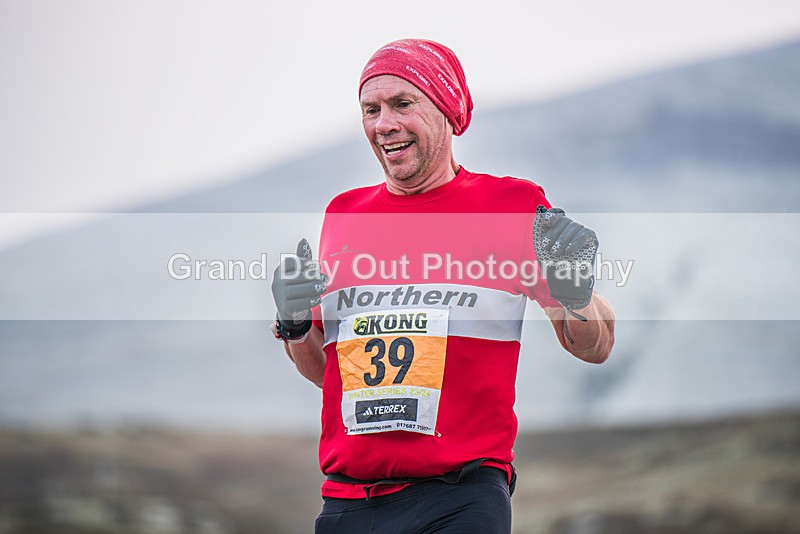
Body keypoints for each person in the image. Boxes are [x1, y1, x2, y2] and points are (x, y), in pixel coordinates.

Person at [270, 38, 615, 533]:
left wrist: (574, 291)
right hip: (349, 501)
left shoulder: (511, 206)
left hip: (459, 498)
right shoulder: (343, 214)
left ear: (448, 111)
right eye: (371, 109)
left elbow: (595, 345)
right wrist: (296, 327)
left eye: (402, 104)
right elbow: (329, 373)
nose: (384, 124)